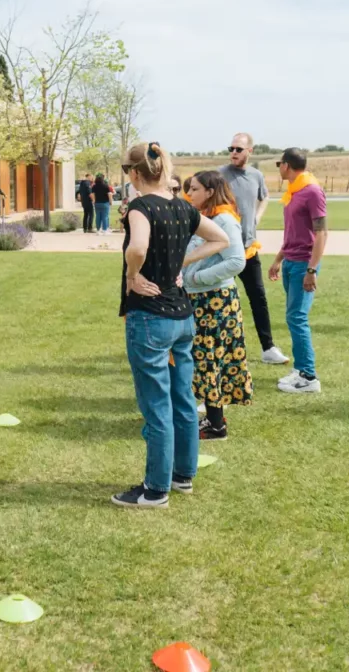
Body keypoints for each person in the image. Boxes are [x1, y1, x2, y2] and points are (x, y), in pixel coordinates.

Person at [113, 142, 229, 508]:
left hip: (150, 318)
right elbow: (221, 239)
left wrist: (133, 275)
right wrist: (181, 262)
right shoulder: (182, 206)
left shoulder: (140, 207)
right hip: (181, 318)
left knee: (156, 404)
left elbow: (137, 248)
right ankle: (182, 476)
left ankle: (155, 490)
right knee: (182, 398)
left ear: (134, 174)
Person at [182, 170, 252, 442]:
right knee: (204, 359)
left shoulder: (224, 219)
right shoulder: (207, 217)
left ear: (210, 191)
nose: (190, 194)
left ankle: (216, 426)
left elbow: (237, 261)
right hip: (201, 299)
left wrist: (196, 277)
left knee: (209, 359)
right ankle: (213, 419)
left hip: (215, 301)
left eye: (195, 189)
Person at [220, 132, 289, 365]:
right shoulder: (219, 176)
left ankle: (268, 348)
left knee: (258, 298)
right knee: (221, 300)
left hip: (248, 248)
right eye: (231, 148)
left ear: (250, 150)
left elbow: (265, 197)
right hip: (223, 249)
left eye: (239, 149)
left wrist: (257, 218)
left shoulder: (256, 175)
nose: (234, 153)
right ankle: (217, 349)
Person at [268, 148, 328, 395]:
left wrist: (311, 270)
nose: (278, 168)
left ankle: (309, 376)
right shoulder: (293, 192)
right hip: (291, 261)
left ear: (287, 165)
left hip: (305, 263)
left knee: (297, 317)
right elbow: (293, 232)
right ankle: (301, 369)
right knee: (293, 317)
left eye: (278, 163)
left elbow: (321, 233)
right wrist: (278, 259)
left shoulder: (312, 191)